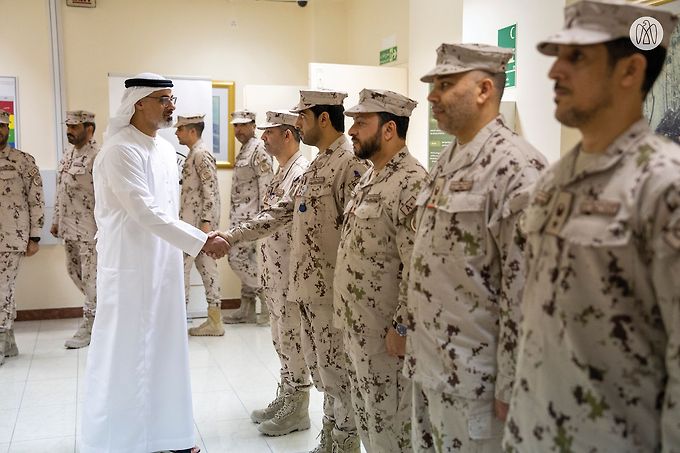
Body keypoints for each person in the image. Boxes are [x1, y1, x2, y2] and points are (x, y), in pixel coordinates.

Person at [502, 2, 680, 451]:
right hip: (534, 432)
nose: (553, 72)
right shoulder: (554, 180)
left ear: (630, 70)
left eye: (576, 57)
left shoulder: (663, 187)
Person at [406, 44, 547, 452]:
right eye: (434, 84)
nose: (432, 95)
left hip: (477, 384)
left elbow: (526, 294)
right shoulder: (448, 159)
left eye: (446, 84)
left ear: (485, 89)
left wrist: (513, 384)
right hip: (430, 366)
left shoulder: (518, 168)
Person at [80, 73, 229, 453]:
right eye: (163, 98)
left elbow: (166, 211)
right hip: (128, 268)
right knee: (126, 354)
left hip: (162, 267)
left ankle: (170, 436)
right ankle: (122, 441)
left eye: (172, 98)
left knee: (166, 351)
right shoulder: (119, 151)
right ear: (138, 103)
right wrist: (200, 240)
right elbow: (143, 211)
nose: (171, 105)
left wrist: (192, 241)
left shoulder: (163, 150)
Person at [218, 89, 368, 452]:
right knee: (325, 371)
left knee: (338, 371)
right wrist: (231, 236)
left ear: (323, 119)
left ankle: (345, 442)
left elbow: (358, 237)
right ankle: (331, 437)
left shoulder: (350, 164)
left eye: (302, 117)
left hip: (333, 291)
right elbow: (281, 212)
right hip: (308, 288)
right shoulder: (319, 164)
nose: (297, 124)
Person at [335, 89, 428, 451]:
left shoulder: (410, 182)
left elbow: (416, 265)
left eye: (361, 122)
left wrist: (402, 327)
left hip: (386, 337)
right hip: (358, 327)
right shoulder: (370, 178)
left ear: (389, 129)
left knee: (392, 432)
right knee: (369, 424)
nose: (352, 129)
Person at [250, 110, 312, 437]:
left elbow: (274, 220)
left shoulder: (300, 172)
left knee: (292, 339)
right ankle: (287, 395)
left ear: (287, 135)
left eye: (269, 133)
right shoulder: (281, 171)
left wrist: (233, 236)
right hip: (274, 274)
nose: (263, 138)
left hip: (289, 276)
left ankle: (298, 408)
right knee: (280, 338)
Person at [51, 110, 100, 349]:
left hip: (90, 230)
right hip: (68, 228)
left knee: (92, 279)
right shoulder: (68, 154)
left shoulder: (98, 157)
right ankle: (102, 312)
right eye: (68, 126)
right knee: (74, 272)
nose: (69, 131)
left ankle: (91, 324)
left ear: (89, 129)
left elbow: (106, 197)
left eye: (75, 127)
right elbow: (61, 189)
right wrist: (56, 220)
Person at [0, 109, 44, 365]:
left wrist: (35, 237)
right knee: (5, 291)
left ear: (8, 129)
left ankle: (1, 339)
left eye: (3, 126)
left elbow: (36, 200)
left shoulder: (23, 161)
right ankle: (10, 341)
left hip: (11, 237)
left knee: (3, 288)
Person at [174, 114, 223, 336]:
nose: (176, 133)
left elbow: (210, 190)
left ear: (192, 131)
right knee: (207, 269)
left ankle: (178, 321)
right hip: (191, 225)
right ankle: (214, 320)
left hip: (196, 227)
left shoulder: (201, 154)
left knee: (182, 269)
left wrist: (206, 223)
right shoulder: (194, 154)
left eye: (180, 129)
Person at [223, 110, 273, 325]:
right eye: (236, 126)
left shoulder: (259, 149)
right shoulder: (245, 150)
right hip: (240, 219)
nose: (239, 130)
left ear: (254, 125)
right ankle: (247, 309)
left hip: (252, 220)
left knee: (236, 259)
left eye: (243, 125)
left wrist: (263, 221)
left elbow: (267, 187)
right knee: (249, 261)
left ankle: (267, 300)